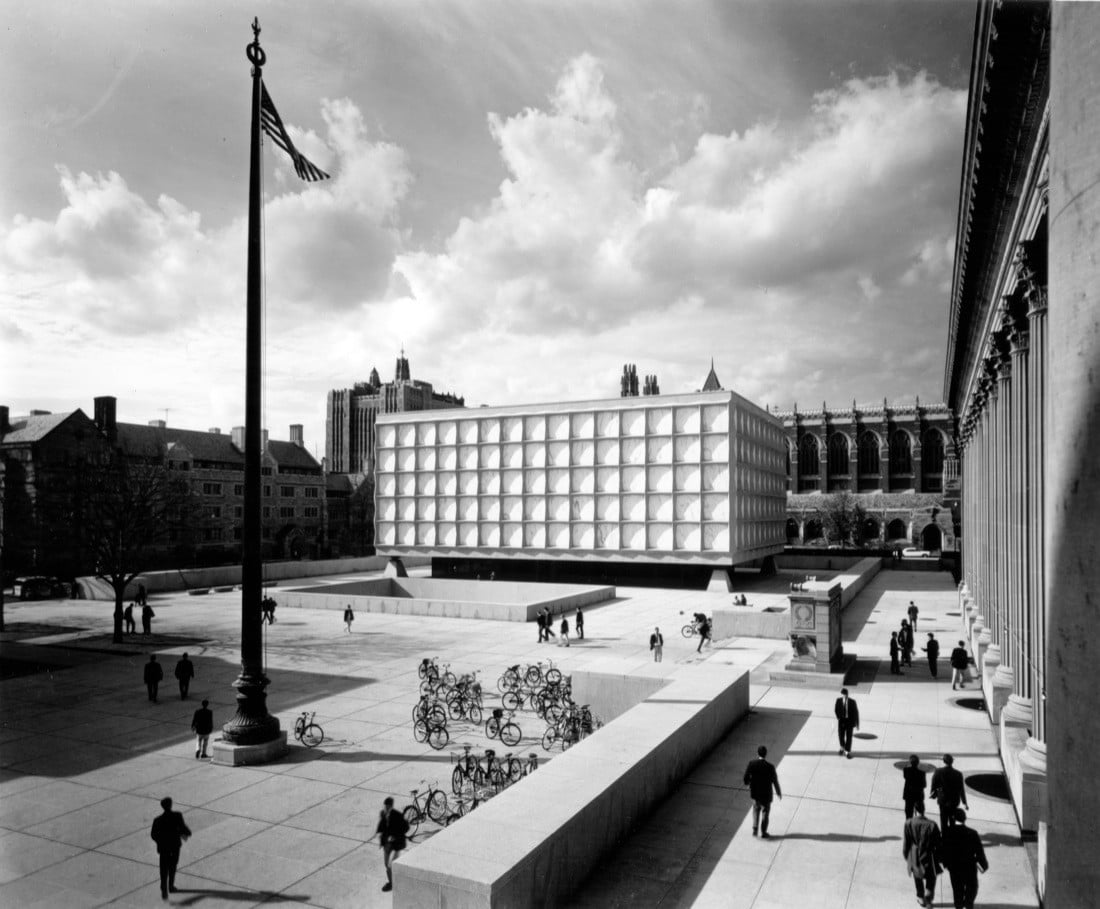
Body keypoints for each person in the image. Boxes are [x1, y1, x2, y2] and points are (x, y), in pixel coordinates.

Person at [941, 808, 989, 909]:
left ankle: (958, 906)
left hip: (954, 868)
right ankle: (968, 904)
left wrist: (946, 864)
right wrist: (983, 865)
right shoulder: (972, 833)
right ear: (964, 819)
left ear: (953, 819)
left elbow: (943, 850)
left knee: (957, 890)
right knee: (972, 889)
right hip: (969, 867)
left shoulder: (948, 832)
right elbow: (979, 852)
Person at [903, 801, 942, 908]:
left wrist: (907, 856)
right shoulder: (932, 825)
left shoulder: (909, 823)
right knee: (931, 877)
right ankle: (928, 898)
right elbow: (939, 844)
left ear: (915, 811)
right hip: (929, 854)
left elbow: (907, 842)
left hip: (915, 853)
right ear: (924, 811)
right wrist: (939, 858)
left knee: (917, 876)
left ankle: (920, 897)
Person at [150, 797, 191, 900]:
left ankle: (164, 888)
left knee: (163, 868)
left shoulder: (158, 820)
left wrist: (160, 842)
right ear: (170, 805)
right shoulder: (177, 816)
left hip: (164, 848)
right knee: (173, 866)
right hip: (175, 846)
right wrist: (186, 833)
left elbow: (153, 835)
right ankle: (171, 886)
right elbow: (183, 828)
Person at [743, 744, 782, 837]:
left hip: (756, 793)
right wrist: (778, 792)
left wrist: (748, 783)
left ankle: (755, 828)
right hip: (766, 794)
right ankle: (763, 832)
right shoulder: (770, 767)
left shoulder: (752, 764)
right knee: (765, 812)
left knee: (756, 809)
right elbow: (775, 781)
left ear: (758, 753)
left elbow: (746, 777)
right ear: (766, 754)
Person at [376, 796, 409, 893]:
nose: (385, 808)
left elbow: (406, 828)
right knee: (386, 865)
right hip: (387, 844)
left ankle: (392, 883)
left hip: (397, 844)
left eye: (387, 807)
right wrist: (380, 834)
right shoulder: (383, 814)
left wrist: (395, 836)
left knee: (391, 865)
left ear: (391, 806)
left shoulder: (398, 815)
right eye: (384, 806)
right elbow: (381, 826)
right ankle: (391, 881)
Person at [931, 754, 968, 830]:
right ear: (952, 762)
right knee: (952, 820)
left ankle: (944, 836)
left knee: (943, 820)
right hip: (954, 801)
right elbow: (961, 789)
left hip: (942, 800)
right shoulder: (958, 774)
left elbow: (934, 783)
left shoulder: (938, 771)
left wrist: (933, 792)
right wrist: (964, 802)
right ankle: (952, 835)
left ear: (944, 761)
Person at [834, 687, 859, 757]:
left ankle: (847, 751)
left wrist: (857, 723)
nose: (844, 696)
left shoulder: (852, 701)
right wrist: (838, 717)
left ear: (847, 694)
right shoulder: (838, 700)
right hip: (841, 721)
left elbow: (855, 713)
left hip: (849, 722)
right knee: (841, 736)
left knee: (849, 737)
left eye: (845, 694)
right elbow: (836, 709)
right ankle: (842, 747)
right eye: (843, 694)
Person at [902, 754, 927, 819]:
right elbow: (924, 785)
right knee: (920, 815)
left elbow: (905, 772)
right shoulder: (922, 773)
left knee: (908, 815)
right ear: (918, 763)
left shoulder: (906, 770)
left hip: (909, 795)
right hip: (918, 796)